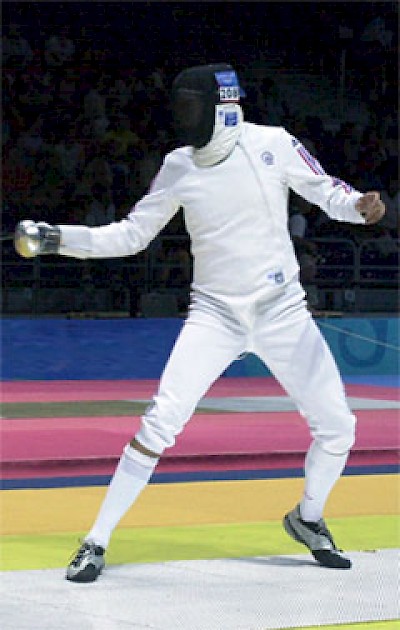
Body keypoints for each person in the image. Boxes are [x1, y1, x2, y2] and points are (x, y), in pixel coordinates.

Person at [14, 63, 385, 582]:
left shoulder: (272, 143)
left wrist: (358, 207)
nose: (182, 118)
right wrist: (58, 238)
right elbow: (131, 235)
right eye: (180, 107)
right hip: (215, 314)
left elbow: (328, 191)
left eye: (191, 107)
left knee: (340, 427)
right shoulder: (179, 166)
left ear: (223, 109)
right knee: (160, 422)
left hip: (282, 311)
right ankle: (95, 540)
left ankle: (308, 517)